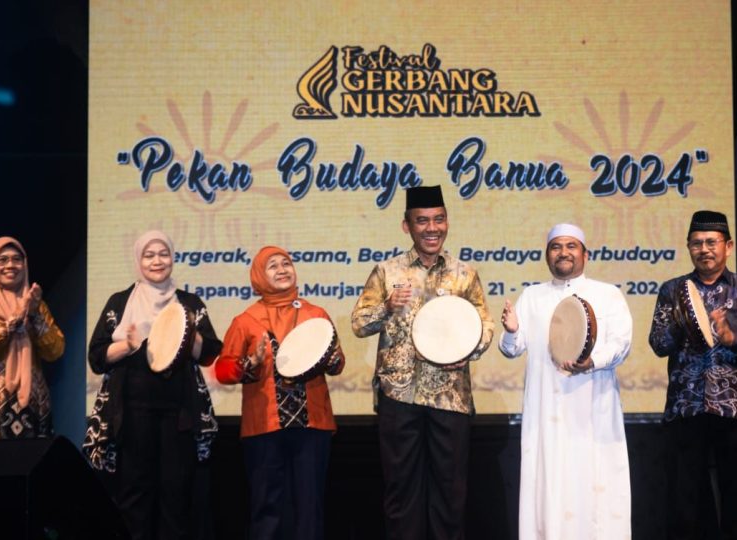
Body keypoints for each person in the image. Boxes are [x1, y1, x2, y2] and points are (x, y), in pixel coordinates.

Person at [351, 185, 494, 540]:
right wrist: (387, 307)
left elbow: (485, 327)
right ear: (407, 226)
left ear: (447, 222)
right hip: (399, 396)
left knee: (450, 495)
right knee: (402, 493)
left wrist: (468, 350)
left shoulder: (465, 274)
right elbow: (359, 323)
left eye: (439, 219)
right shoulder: (387, 272)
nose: (432, 228)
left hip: (450, 396)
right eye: (423, 221)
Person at [83, 230, 222, 540]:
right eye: (149, 255)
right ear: (138, 260)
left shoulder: (189, 303)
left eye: (163, 254)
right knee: (134, 496)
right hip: (132, 415)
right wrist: (127, 345)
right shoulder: (120, 303)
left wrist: (186, 331)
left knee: (176, 496)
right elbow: (97, 357)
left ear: (172, 258)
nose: (157, 261)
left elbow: (210, 353)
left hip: (180, 415)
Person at [649, 210, 737, 540]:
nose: (704, 249)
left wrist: (733, 338)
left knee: (736, 501)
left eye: (711, 242)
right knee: (686, 505)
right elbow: (658, 344)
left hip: (735, 412)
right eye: (696, 243)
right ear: (688, 247)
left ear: (728, 246)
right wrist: (683, 322)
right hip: (686, 409)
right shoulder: (672, 290)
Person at [499, 223, 633, 539]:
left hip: (594, 414)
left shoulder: (608, 295)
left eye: (571, 246)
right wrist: (512, 330)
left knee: (595, 487)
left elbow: (622, 343)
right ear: (547, 255)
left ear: (585, 254)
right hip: (545, 415)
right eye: (556, 247)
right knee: (549, 489)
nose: (563, 252)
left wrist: (592, 362)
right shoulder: (532, 296)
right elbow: (510, 349)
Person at [215, 246, 345, 539]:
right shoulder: (245, 320)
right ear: (259, 275)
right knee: (267, 509)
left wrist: (333, 357)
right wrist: (251, 362)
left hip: (312, 426)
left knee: (309, 509)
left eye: (286, 263)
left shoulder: (316, 315)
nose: (282, 269)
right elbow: (222, 370)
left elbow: (338, 364)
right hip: (264, 428)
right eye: (272, 266)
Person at [0, 236, 64, 440]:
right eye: (2, 260)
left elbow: (55, 351)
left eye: (17, 259)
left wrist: (34, 316)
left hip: (35, 403)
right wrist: (10, 324)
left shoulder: (36, 304)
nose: (10, 265)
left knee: (34, 458)